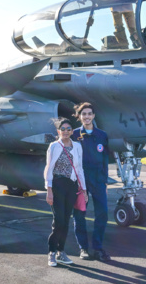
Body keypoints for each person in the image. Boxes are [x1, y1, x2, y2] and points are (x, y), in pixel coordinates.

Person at [71, 103, 111, 262]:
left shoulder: (102, 135)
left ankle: (98, 247)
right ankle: (83, 248)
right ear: (79, 116)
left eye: (89, 114)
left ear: (94, 115)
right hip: (81, 180)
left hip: (98, 180)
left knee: (102, 214)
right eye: (84, 114)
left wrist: (105, 181)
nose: (87, 117)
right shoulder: (74, 135)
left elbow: (105, 160)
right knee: (79, 214)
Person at [44, 118, 86, 267]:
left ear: (72, 131)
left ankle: (61, 252)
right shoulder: (54, 146)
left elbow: (79, 169)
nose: (66, 131)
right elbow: (49, 168)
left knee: (66, 221)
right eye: (63, 128)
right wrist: (49, 190)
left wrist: (84, 190)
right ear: (58, 131)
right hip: (57, 185)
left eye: (69, 128)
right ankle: (52, 252)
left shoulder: (77, 147)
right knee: (59, 220)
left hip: (72, 186)